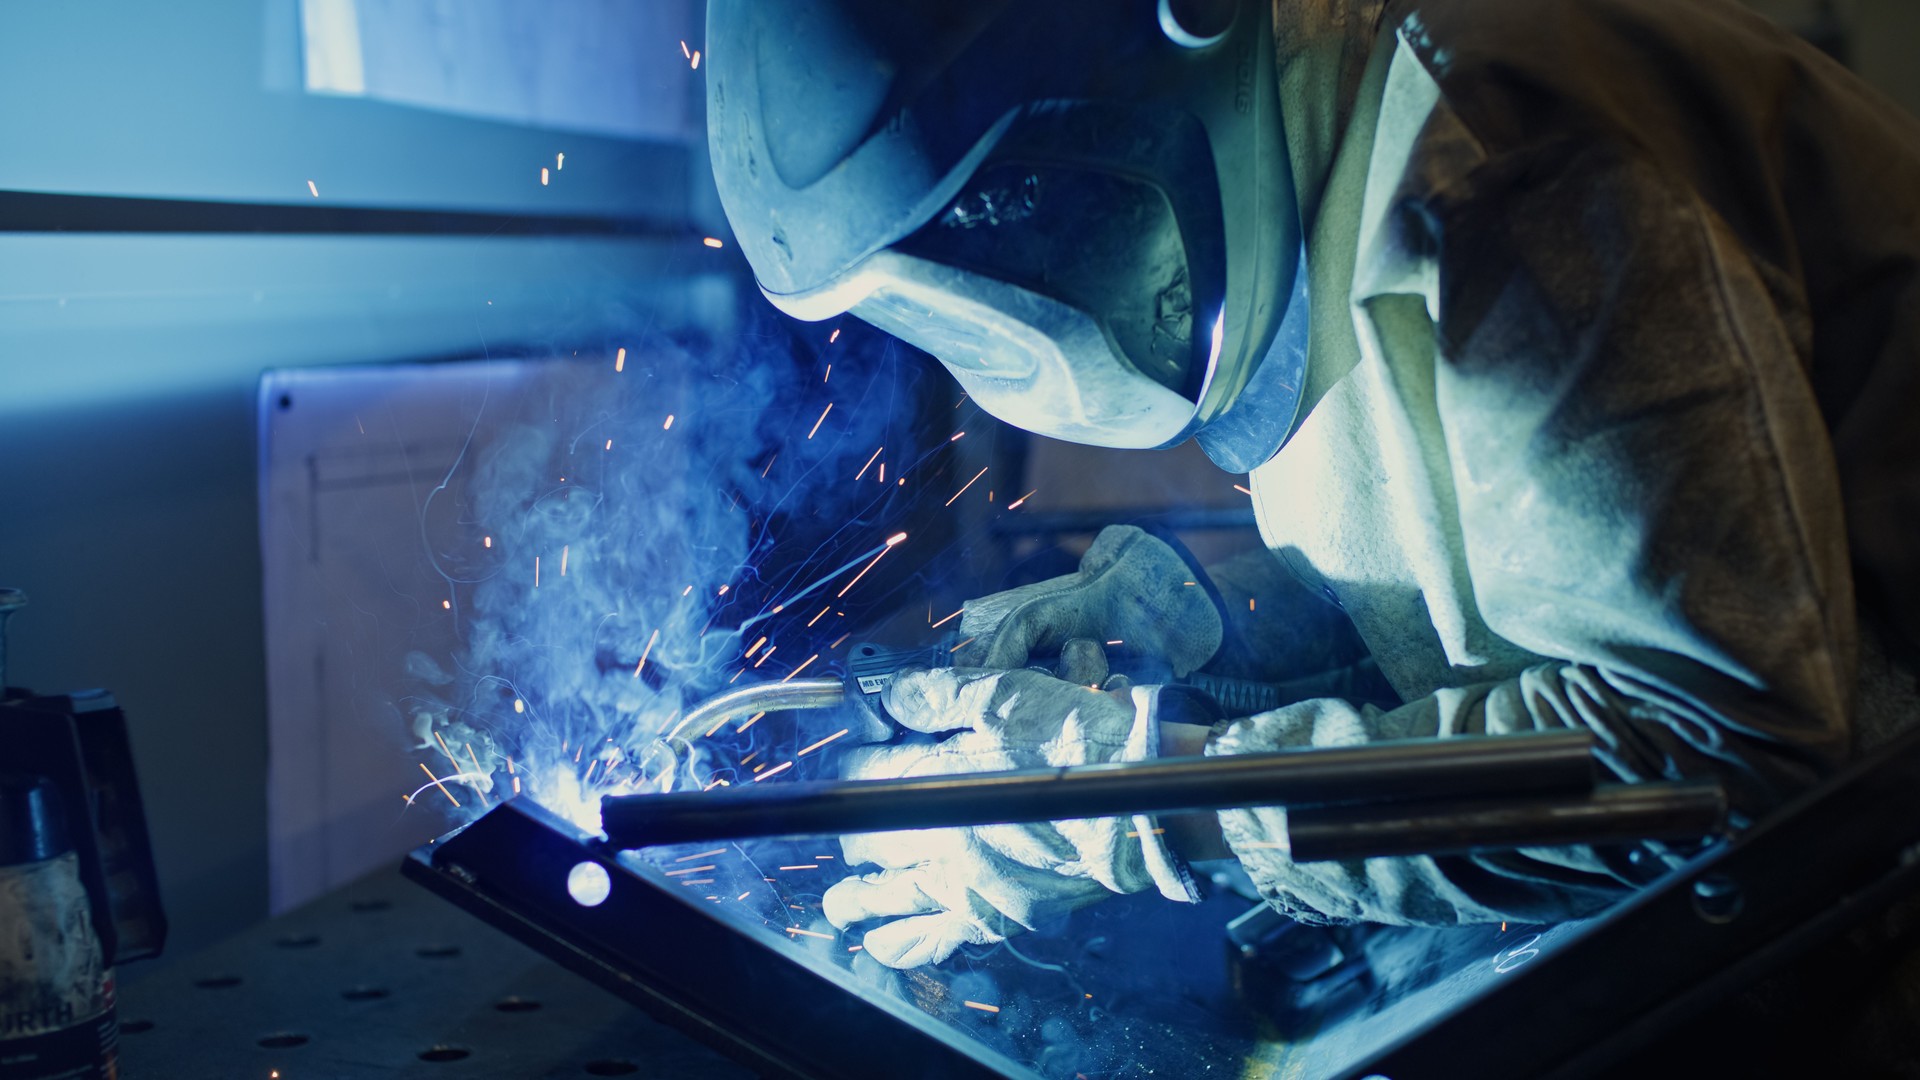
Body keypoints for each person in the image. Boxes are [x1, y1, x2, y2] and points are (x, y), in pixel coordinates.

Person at [704, 0, 1920, 969]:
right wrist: (1190, 627)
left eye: (1021, 209)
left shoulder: (1500, 165)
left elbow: (1709, 758)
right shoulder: (1312, 160)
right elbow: (1491, 596)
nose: (1027, 298)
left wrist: (1151, 803)